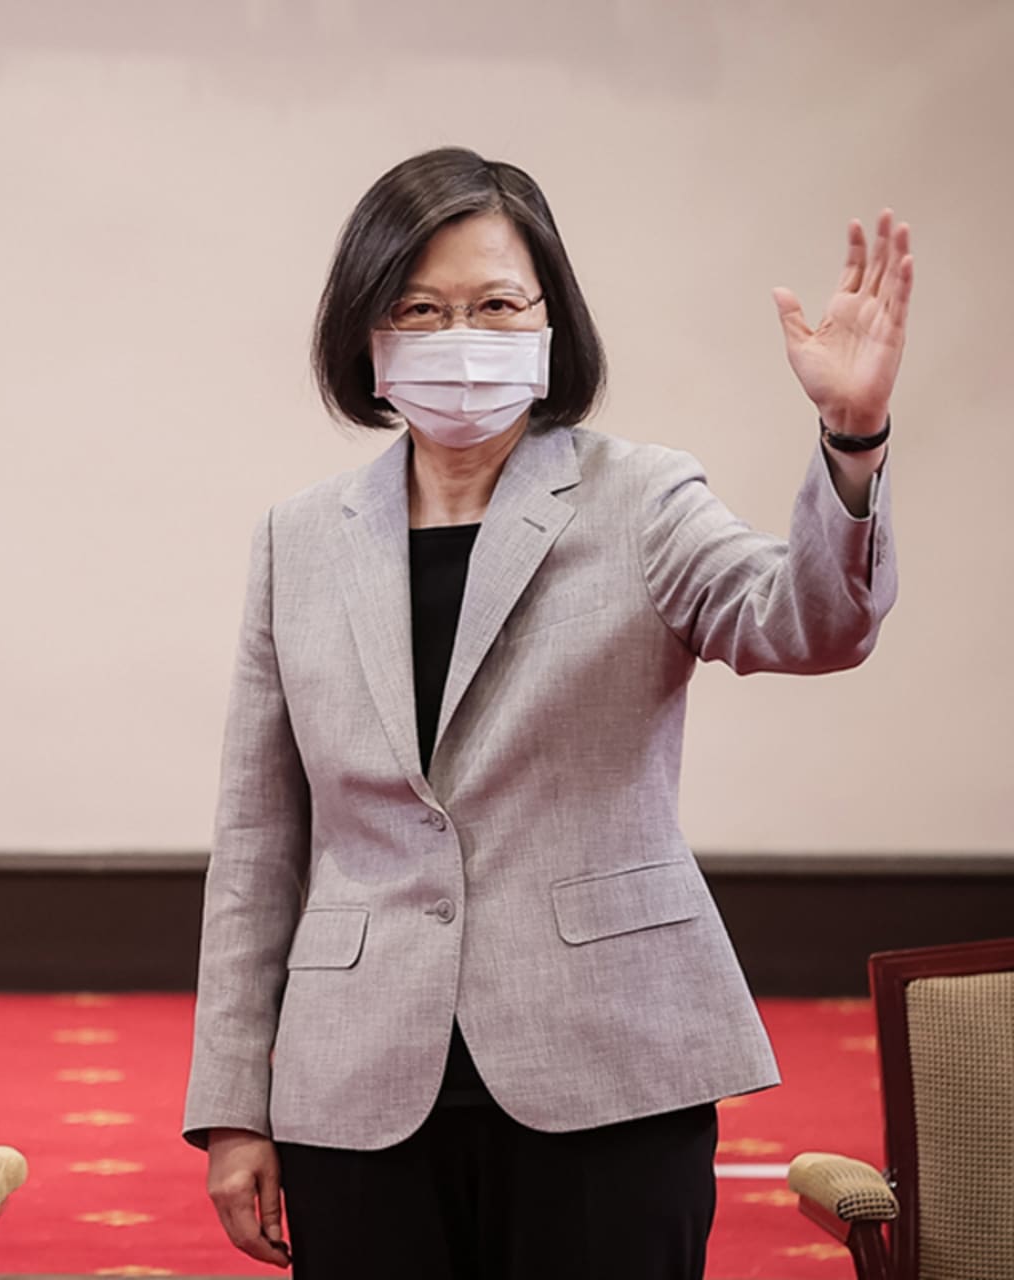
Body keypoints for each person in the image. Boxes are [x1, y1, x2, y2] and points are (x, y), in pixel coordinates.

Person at [182, 147, 907, 1279]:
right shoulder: (301, 539)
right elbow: (259, 840)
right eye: (418, 308)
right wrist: (234, 1103)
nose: (456, 334)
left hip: (607, 1062)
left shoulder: (644, 497)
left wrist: (851, 443)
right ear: (366, 338)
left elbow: (808, 623)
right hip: (360, 1080)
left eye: (493, 304)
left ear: (548, 321)